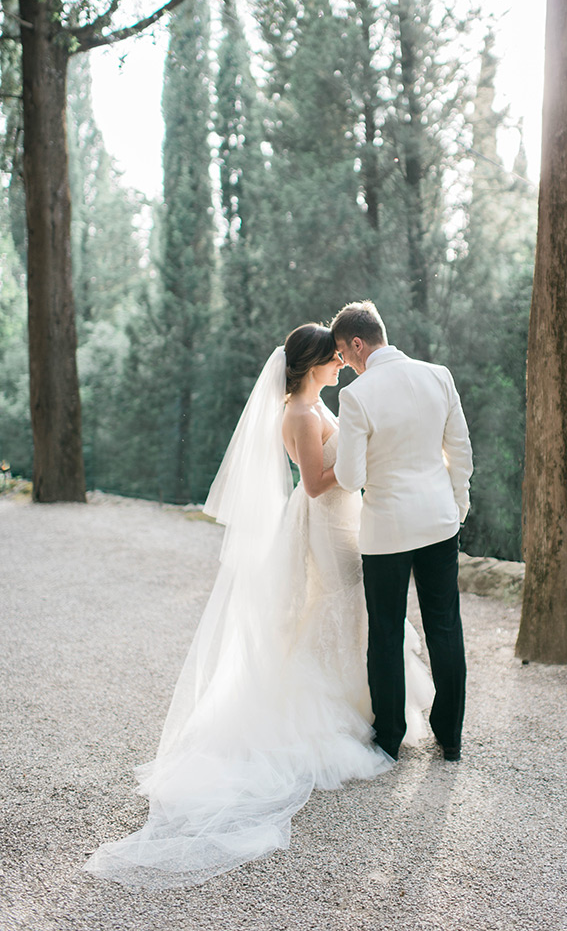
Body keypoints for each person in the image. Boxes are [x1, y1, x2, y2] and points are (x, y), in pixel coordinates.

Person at [85, 324, 430, 890]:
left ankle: (367, 702)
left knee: (350, 608)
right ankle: (344, 710)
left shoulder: (314, 402)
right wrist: (356, 455)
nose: (342, 364)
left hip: (344, 516)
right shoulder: (298, 413)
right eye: (333, 359)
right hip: (325, 520)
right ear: (314, 363)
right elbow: (317, 485)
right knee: (341, 605)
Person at [331, 302, 473, 762]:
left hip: (387, 531)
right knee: (445, 626)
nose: (346, 365)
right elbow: (460, 451)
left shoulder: (356, 396)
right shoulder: (439, 375)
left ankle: (389, 738)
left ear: (358, 343)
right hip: (438, 520)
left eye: (344, 354)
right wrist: (458, 507)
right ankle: (449, 737)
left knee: (386, 633)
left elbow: (350, 478)